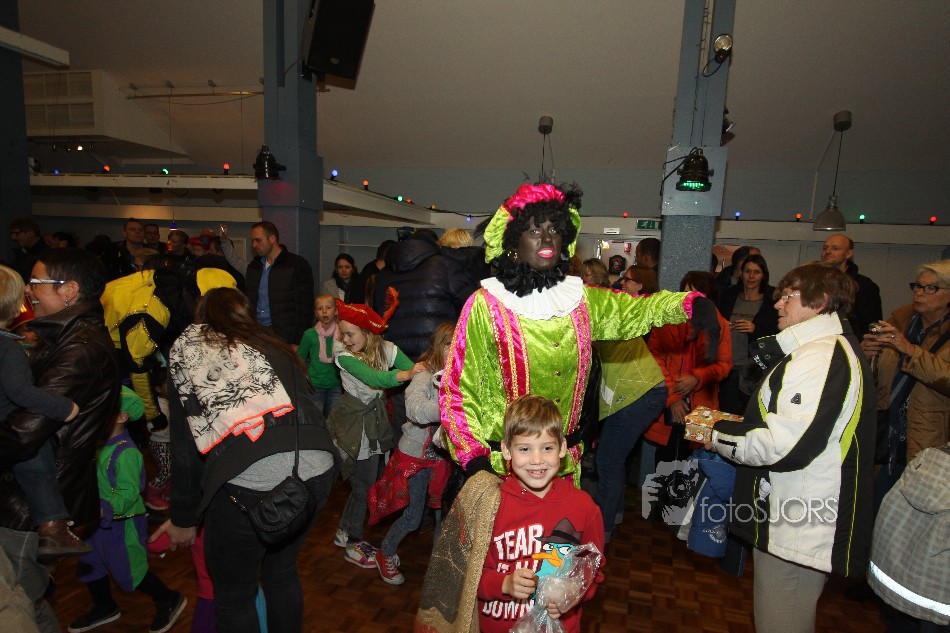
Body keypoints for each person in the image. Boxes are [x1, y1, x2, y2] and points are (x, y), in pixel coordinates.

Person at [440, 182, 720, 481]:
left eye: (554, 229)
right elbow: (459, 390)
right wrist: (475, 460)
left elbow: (639, 309)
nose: (547, 237)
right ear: (512, 243)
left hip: (564, 468)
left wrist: (689, 304)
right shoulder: (487, 305)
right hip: (503, 471)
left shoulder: (581, 300)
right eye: (534, 230)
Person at [156, 287, 337, 633]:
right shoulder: (273, 343)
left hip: (251, 477)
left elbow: (184, 446)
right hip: (318, 465)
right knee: (281, 572)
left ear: (201, 317)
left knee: (234, 595)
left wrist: (183, 517)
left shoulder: (188, 349)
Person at [706, 264, 875, 633]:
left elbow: (784, 446)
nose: (777, 304)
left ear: (820, 302)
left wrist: (716, 434)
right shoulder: (819, 349)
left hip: (799, 523)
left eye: (788, 296)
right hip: (794, 513)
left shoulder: (819, 356)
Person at [0, 247, 121, 633]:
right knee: (24, 602)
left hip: (29, 501)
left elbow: (25, 431)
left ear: (69, 290)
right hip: (27, 494)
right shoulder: (62, 338)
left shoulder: (80, 350)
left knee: (13, 604)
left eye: (35, 283)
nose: (28, 291)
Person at [417, 394, 605, 633]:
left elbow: (593, 569)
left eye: (547, 448)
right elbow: (466, 577)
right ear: (507, 450)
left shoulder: (584, 507)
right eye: (524, 449)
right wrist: (503, 583)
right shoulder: (490, 505)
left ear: (562, 448)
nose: (537, 460)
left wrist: (573, 593)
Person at [68, 388, 186, 633]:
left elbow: (130, 491)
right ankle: (104, 606)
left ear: (122, 417)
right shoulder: (95, 445)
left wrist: (105, 507)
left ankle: (167, 598)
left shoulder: (126, 452)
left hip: (122, 523)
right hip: (94, 522)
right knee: (90, 563)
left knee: (129, 568)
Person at [326, 294, 424, 568]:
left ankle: (344, 530)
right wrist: (409, 374)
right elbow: (375, 378)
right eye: (342, 333)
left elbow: (409, 366)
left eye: (350, 334)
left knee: (363, 482)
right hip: (354, 425)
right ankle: (354, 544)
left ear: (368, 332)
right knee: (363, 486)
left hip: (373, 422)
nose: (345, 339)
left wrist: (423, 370)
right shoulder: (344, 357)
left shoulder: (387, 349)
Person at [0, 265, 85, 558]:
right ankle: (53, 527)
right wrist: (64, 408)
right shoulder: (8, 348)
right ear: (16, 308)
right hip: (7, 424)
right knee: (37, 465)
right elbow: (21, 392)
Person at [368, 321, 455, 585]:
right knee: (413, 517)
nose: (456, 350)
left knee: (443, 515)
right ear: (439, 346)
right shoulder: (424, 374)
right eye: (450, 344)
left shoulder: (460, 371)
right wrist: (451, 408)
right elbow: (415, 409)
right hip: (417, 458)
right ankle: (385, 553)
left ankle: (439, 569)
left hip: (444, 459)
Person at [861, 260, 950, 497]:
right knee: (875, 509)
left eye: (931, 288)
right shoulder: (898, 322)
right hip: (884, 437)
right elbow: (873, 381)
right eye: (917, 286)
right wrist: (866, 355)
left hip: (927, 437)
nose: (920, 293)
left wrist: (910, 350)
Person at [593, 265, 668, 542]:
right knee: (615, 458)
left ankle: (601, 531)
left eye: (628, 279)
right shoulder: (618, 308)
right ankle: (614, 515)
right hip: (637, 392)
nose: (622, 282)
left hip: (640, 392)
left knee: (607, 461)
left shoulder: (624, 311)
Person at [645, 271, 732, 462]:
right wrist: (673, 397)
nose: (690, 299)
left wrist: (697, 377)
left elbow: (724, 365)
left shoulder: (720, 325)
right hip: (669, 400)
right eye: (686, 293)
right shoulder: (668, 319)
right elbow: (654, 359)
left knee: (695, 462)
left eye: (696, 294)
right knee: (666, 460)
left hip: (703, 403)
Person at [716, 253, 778, 414]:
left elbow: (777, 333)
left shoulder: (772, 300)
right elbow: (715, 324)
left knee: (748, 413)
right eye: (747, 271)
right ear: (741, 273)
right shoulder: (729, 295)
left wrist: (755, 329)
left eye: (756, 272)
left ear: (763, 275)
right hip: (728, 365)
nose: (751, 276)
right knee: (725, 412)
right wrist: (723, 326)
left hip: (754, 368)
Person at [245, 221, 315, 348]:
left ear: (272, 238)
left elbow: (305, 307)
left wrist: (298, 341)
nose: (254, 245)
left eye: (258, 240)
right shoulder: (254, 267)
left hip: (284, 336)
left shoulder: (297, 265)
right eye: (253, 241)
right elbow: (249, 302)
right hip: (257, 333)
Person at [821, 234, 882, 335]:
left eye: (835, 248)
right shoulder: (812, 281)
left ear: (848, 254)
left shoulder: (864, 285)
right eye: (825, 248)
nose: (827, 251)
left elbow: (873, 323)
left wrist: (871, 340)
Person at [297, 294, 343, 418]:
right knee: (316, 417)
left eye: (328, 307)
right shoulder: (309, 335)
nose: (324, 311)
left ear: (336, 311)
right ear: (316, 313)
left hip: (336, 384)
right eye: (320, 308)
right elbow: (299, 358)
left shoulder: (342, 333)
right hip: (315, 385)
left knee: (334, 420)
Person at [8, 216, 50, 284]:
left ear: (30, 232)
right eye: (12, 234)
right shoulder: (21, 252)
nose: (13, 237)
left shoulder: (47, 254)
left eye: (17, 233)